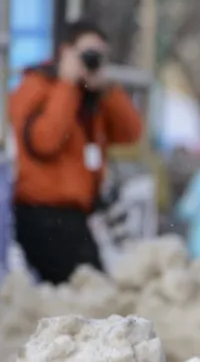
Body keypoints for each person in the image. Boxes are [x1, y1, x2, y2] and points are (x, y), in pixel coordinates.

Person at [8, 19, 143, 284]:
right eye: (86, 54)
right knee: (84, 290)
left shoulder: (94, 97)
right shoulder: (37, 86)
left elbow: (131, 133)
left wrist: (108, 90)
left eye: (98, 55)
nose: (91, 61)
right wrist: (67, 84)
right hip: (40, 214)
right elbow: (45, 142)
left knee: (94, 289)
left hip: (78, 216)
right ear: (65, 51)